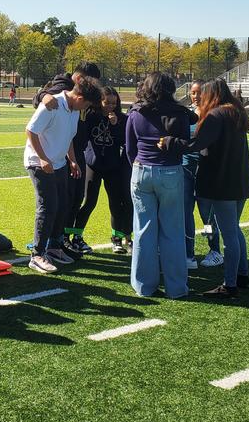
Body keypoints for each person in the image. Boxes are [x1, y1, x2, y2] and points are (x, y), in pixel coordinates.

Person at [161, 78, 249, 299]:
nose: (200, 98)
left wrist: (170, 143)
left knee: (229, 234)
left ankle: (230, 285)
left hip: (223, 184)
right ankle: (242, 275)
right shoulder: (236, 112)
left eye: (203, 94)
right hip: (240, 181)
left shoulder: (216, 115)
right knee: (234, 230)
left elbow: (197, 144)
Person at [25, 76, 102, 274]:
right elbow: (31, 131)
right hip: (39, 164)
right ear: (80, 97)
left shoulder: (74, 110)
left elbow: (69, 138)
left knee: (63, 205)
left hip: (59, 163)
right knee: (48, 207)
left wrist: (72, 160)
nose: (85, 108)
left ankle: (54, 247)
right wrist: (43, 159)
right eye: (87, 104)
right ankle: (37, 254)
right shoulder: (52, 104)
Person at [125, 72, 191, 299]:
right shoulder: (180, 113)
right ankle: (176, 288)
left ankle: (144, 286)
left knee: (143, 231)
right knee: (173, 231)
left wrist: (139, 165)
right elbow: (184, 144)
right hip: (170, 171)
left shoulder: (136, 112)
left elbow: (130, 148)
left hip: (141, 170)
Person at [70, 86, 132, 254]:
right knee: (89, 202)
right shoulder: (91, 116)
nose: (110, 106)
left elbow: (123, 141)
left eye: (114, 103)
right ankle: (76, 236)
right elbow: (82, 137)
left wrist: (115, 125)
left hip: (113, 167)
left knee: (116, 204)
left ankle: (117, 239)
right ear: (99, 102)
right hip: (93, 165)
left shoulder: (122, 118)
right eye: (107, 103)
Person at [184, 80, 223, 269]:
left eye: (199, 92)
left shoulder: (212, 115)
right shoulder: (186, 114)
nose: (196, 96)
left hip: (205, 171)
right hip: (185, 169)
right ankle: (188, 254)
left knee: (206, 215)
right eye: (193, 92)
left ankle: (215, 250)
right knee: (185, 213)